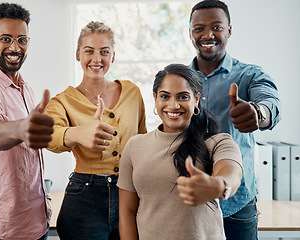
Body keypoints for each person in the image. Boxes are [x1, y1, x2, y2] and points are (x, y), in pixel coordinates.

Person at [188, 0, 281, 239]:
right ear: (190, 33)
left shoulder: (249, 75)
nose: (207, 34)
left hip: (237, 204)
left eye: (216, 27)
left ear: (229, 30)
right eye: (199, 28)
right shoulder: (180, 79)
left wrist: (258, 114)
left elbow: (271, 103)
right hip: (190, 201)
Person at [118, 63, 243, 240]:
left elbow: (232, 173)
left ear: (196, 99)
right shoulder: (134, 145)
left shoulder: (218, 142)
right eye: (165, 96)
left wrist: (219, 186)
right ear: (155, 99)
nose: (173, 105)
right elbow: (127, 211)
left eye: (183, 97)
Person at [46, 21, 147, 240]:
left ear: (113, 56)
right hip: (85, 198)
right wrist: (77, 133)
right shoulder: (62, 101)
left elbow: (143, 141)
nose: (96, 59)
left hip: (130, 193)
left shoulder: (132, 92)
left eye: (104, 52)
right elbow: (49, 136)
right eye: (89, 51)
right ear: (77, 54)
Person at [0, 3, 54, 240]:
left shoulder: (25, 88)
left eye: (22, 40)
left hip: (37, 221)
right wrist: (21, 128)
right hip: (6, 231)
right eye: (5, 39)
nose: (15, 48)